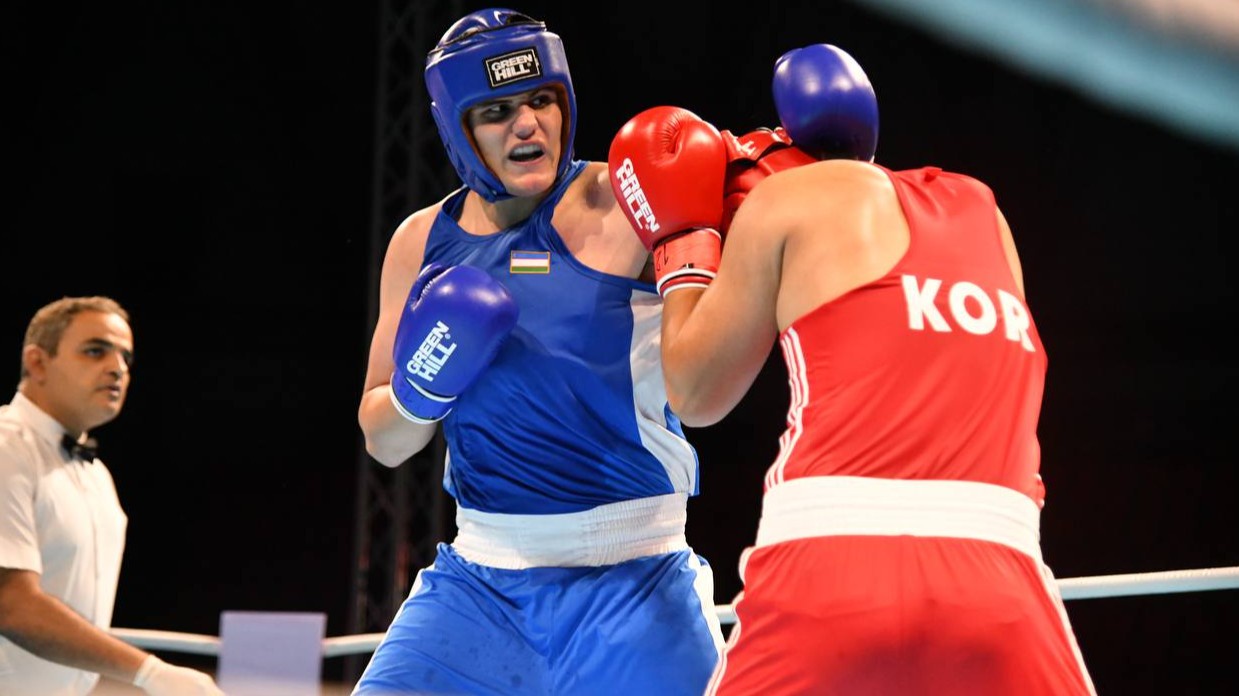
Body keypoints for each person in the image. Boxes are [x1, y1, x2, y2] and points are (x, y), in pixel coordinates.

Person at [608, 44, 1096, 695]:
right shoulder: (985, 210)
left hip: (831, 556)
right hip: (1002, 568)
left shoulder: (783, 200)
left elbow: (695, 393)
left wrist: (684, 242)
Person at [353, 7, 724, 695]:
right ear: (457, 130)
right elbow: (385, 441)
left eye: (541, 101)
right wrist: (424, 385)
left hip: (634, 575)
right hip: (478, 583)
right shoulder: (420, 242)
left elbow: (757, 231)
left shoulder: (624, 205)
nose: (527, 125)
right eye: (497, 111)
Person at [0, 296, 225, 696]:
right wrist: (151, 672)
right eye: (95, 351)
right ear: (37, 363)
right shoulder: (6, 449)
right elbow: (10, 602)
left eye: (126, 357)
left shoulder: (97, 477)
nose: (117, 367)